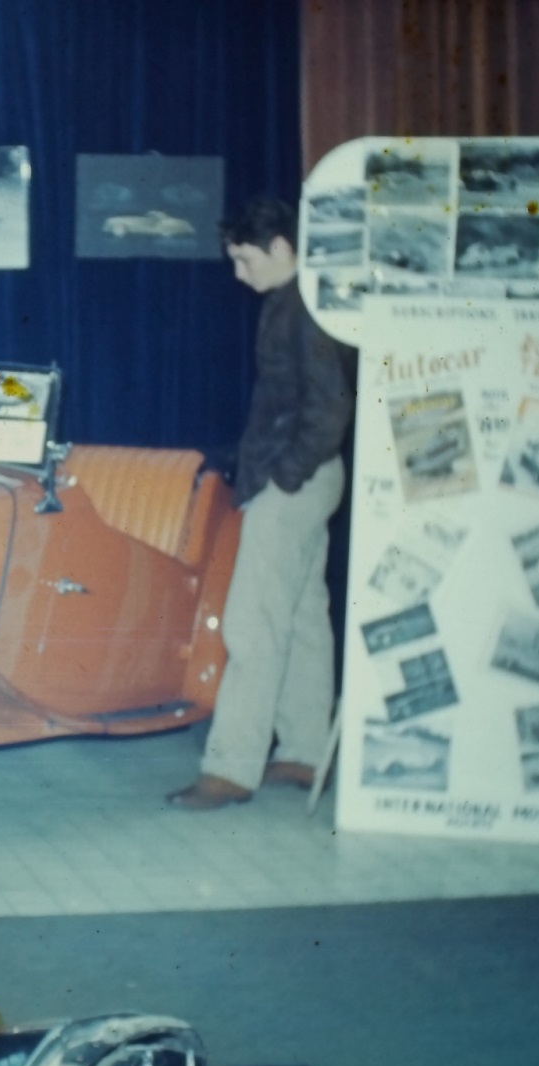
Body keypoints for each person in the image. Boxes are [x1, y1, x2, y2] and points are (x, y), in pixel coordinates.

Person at [167, 197, 354, 810]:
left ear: (282, 248)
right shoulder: (301, 301)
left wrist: (285, 476)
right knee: (300, 616)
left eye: (245, 260)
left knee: (253, 623)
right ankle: (301, 751)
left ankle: (232, 767)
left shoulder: (305, 309)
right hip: (308, 479)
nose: (239, 275)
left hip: (295, 481)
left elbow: (328, 410)